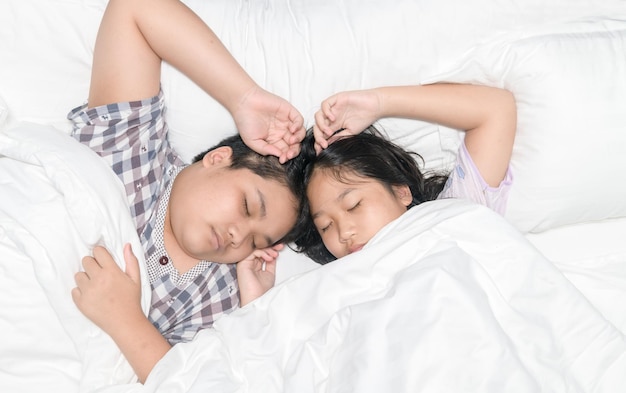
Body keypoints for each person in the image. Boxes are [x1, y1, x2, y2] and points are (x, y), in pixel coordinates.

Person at [70, 0, 306, 383]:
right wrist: (242, 98)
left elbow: (203, 382)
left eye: (256, 241)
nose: (237, 236)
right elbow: (136, 9)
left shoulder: (219, 296)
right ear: (217, 158)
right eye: (246, 206)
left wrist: (126, 320)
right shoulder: (135, 154)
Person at [293, 83, 516, 264]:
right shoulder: (335, 284)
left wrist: (380, 103)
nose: (343, 233)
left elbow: (495, 109)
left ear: (401, 191)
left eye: (353, 205)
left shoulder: (451, 217)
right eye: (325, 226)